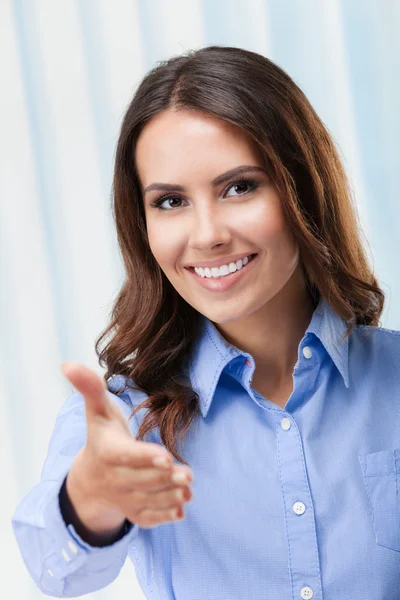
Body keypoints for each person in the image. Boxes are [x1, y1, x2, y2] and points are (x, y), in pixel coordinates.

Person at [11, 44, 398, 600]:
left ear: (303, 190)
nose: (208, 233)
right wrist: (91, 496)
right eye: (170, 201)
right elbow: (55, 570)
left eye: (239, 187)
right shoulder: (124, 414)